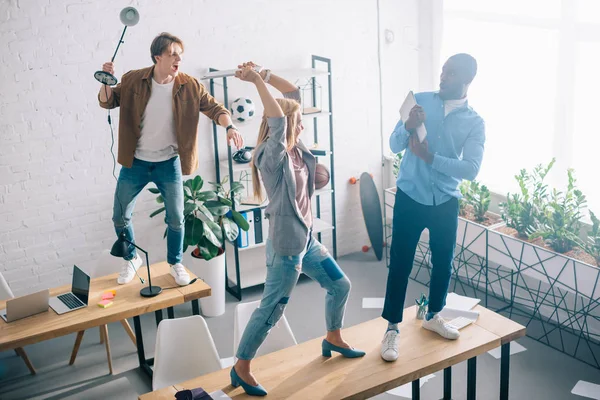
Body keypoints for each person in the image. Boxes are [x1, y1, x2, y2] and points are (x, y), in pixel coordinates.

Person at [230, 62, 365, 396]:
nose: (304, 125)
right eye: (299, 122)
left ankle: (332, 337)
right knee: (272, 309)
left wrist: (266, 76)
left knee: (340, 284)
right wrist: (256, 85)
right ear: (286, 125)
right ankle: (241, 367)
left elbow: (292, 95)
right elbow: (277, 118)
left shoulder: (295, 148)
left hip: (307, 240)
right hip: (286, 247)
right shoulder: (271, 155)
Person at [98, 32, 243, 286]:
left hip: (169, 163)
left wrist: (230, 127)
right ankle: (131, 258)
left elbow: (216, 109)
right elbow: (107, 102)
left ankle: (175, 263)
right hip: (136, 162)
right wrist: (106, 81)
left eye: (180, 55)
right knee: (119, 216)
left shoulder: (190, 85)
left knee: (176, 218)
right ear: (158, 57)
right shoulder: (133, 80)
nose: (179, 59)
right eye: (173, 54)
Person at [380, 53, 485, 362]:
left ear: (467, 81)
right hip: (410, 195)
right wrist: (407, 125)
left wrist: (431, 159)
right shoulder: (420, 101)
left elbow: (471, 168)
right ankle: (392, 328)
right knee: (400, 262)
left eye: (450, 74)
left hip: (445, 201)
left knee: (443, 262)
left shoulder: (475, 122)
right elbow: (394, 144)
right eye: (442, 71)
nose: (442, 77)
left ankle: (433, 315)